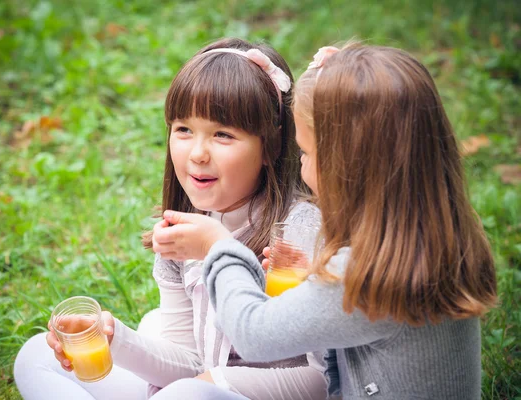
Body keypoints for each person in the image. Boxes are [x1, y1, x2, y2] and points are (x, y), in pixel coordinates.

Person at [153, 43, 498, 399]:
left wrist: (219, 245)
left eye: (306, 152)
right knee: (155, 325)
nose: (299, 166)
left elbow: (253, 335)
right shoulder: (424, 245)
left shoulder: (370, 273)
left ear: (355, 167)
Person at [14, 37, 328, 399]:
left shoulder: (302, 234)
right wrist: (114, 337)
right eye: (183, 130)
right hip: (195, 388)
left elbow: (323, 378)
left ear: (270, 146)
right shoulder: (182, 233)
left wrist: (213, 384)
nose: (197, 153)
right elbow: (190, 361)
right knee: (36, 355)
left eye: (222, 134)